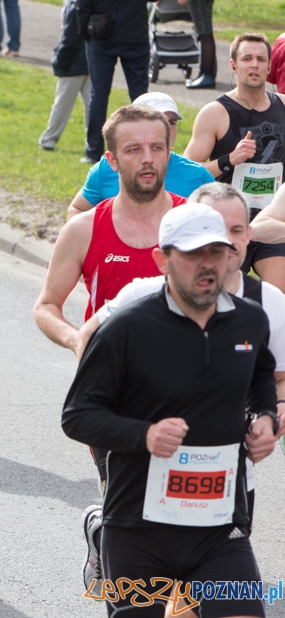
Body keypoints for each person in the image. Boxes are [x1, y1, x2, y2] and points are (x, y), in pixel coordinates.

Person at [62, 201, 278, 618]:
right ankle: (100, 533)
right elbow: (78, 415)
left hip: (218, 528)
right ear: (163, 259)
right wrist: (144, 435)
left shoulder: (250, 322)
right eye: (193, 254)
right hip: (138, 529)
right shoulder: (126, 328)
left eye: (216, 252)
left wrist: (264, 418)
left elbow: (260, 380)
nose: (207, 264)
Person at [34, 104, 186, 497]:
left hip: (188, 384)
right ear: (112, 160)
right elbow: (46, 305)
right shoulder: (84, 229)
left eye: (157, 147)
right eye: (134, 150)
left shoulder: (195, 223)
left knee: (185, 507)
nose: (148, 158)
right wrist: (76, 340)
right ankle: (104, 545)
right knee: (123, 496)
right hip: (113, 387)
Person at [183, 32, 285, 291]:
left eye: (261, 59)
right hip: (225, 224)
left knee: (281, 296)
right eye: (247, 58)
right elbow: (187, 174)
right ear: (233, 65)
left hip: (271, 221)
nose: (254, 65)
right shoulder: (215, 113)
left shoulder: (283, 106)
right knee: (222, 300)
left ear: (269, 66)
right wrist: (229, 159)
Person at [77, 0, 162, 164]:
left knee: (99, 94)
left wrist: (84, 33)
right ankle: (146, 148)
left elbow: (84, 0)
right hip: (135, 34)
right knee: (140, 97)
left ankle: (93, 150)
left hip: (102, 36)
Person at [67, 92, 211, 215]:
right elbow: (77, 209)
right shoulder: (104, 170)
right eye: (157, 119)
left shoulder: (198, 175)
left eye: (171, 122)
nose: (165, 128)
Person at [39, 0, 89, 151]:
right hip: (88, 62)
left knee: (62, 104)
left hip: (73, 64)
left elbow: (69, 38)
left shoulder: (77, 6)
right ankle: (93, 143)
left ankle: (49, 139)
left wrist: (58, 60)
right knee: (91, 106)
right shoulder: (75, 2)